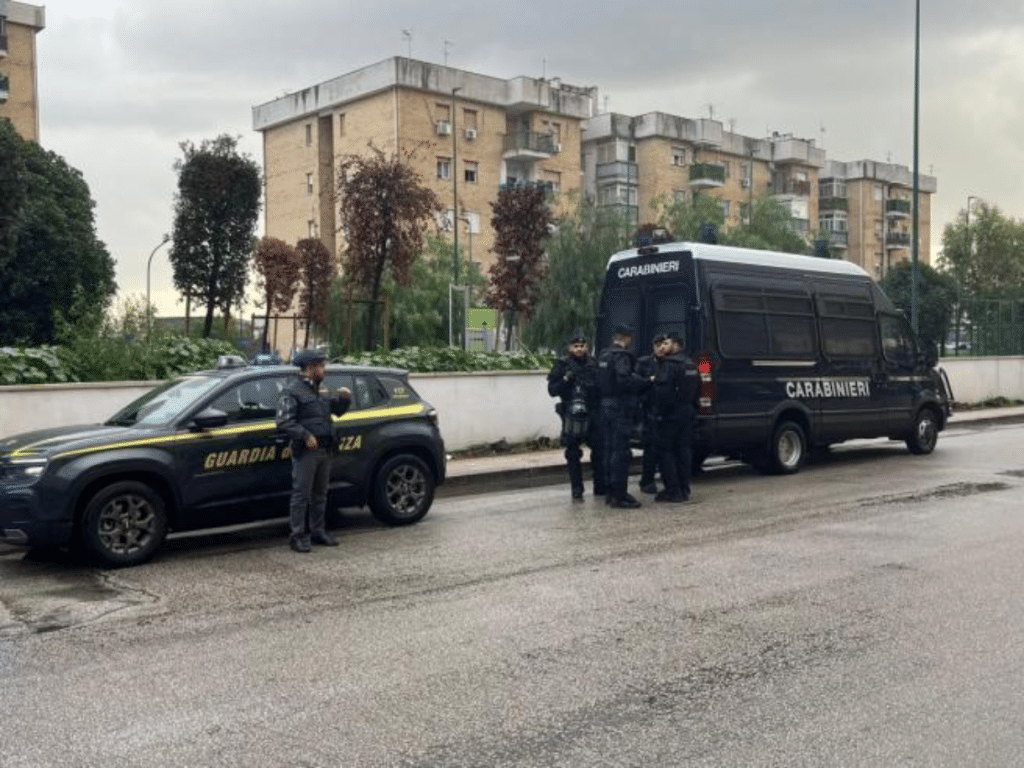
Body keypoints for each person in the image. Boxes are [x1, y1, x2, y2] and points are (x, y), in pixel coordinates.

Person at [276, 349, 352, 553]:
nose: (324, 369)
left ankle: (318, 531)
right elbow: (284, 421)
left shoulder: (319, 390)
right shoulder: (293, 391)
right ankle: (297, 536)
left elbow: (336, 413)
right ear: (310, 368)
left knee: (320, 494)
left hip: (325, 449)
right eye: (321, 366)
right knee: (301, 494)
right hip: (307, 451)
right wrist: (304, 435)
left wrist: (344, 400)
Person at [598, 323, 652, 509]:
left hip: (606, 407)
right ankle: (620, 494)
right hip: (620, 408)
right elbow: (624, 380)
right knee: (620, 452)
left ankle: (611, 492)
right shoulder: (622, 356)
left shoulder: (604, 355)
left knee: (610, 450)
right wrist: (644, 382)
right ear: (626, 338)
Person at [547, 331, 607, 501]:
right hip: (572, 413)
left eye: (582, 346)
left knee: (599, 450)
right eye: (576, 346)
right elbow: (552, 390)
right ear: (569, 348)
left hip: (593, 412)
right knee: (573, 453)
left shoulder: (594, 363)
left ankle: (600, 486)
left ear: (587, 347)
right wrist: (566, 379)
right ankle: (577, 489)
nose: (579, 349)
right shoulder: (563, 365)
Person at [650, 330, 701, 503]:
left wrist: (658, 413)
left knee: (666, 452)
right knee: (684, 451)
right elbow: (698, 390)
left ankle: (673, 490)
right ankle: (685, 489)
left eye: (667, 343)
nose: (663, 346)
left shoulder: (669, 364)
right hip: (688, 414)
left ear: (676, 345)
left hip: (670, 416)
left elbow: (663, 393)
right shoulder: (692, 364)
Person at [636, 334, 667, 495]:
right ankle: (647, 481)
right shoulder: (644, 363)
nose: (661, 348)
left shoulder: (674, 362)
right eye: (658, 345)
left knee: (669, 448)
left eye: (664, 344)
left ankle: (670, 480)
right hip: (649, 411)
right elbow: (635, 384)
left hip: (669, 412)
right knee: (651, 449)